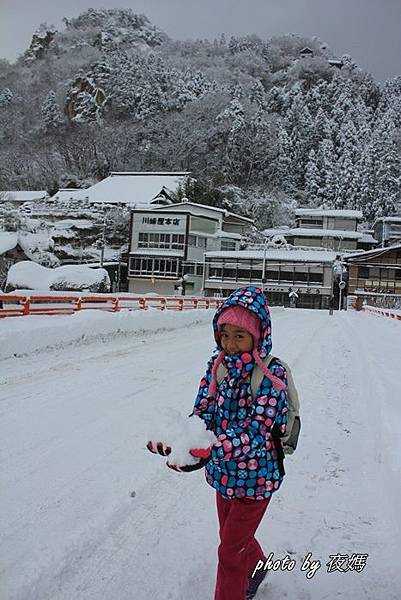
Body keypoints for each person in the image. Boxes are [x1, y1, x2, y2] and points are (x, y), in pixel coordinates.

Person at [147, 286, 289, 600]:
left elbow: (257, 432)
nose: (230, 343)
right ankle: (258, 566)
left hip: (258, 478)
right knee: (232, 539)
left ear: (259, 335)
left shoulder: (271, 375)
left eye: (240, 335)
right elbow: (204, 409)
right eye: (225, 334)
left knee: (229, 552)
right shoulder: (218, 365)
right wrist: (183, 439)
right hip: (224, 475)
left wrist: (215, 447)